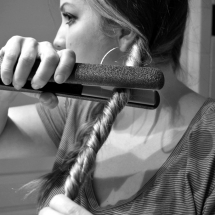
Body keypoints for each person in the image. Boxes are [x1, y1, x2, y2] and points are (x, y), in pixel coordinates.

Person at [0, 0, 215, 214]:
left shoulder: (209, 142)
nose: (57, 40)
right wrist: (4, 83)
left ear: (123, 32)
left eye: (69, 17)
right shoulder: (78, 107)